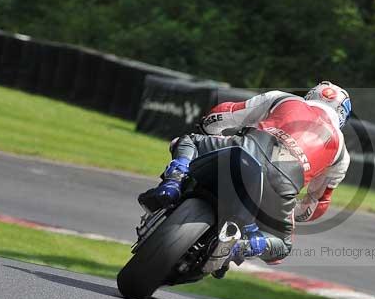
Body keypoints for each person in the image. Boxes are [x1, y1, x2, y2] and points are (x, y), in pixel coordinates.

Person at [138, 81, 351, 272]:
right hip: (283, 183)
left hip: (245, 150)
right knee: (282, 246)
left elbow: (224, 113)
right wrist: (292, 209)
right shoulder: (342, 153)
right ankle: (240, 246)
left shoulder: (283, 98)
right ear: (342, 116)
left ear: (311, 95)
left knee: (188, 141)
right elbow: (317, 204)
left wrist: (206, 129)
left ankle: (174, 181)